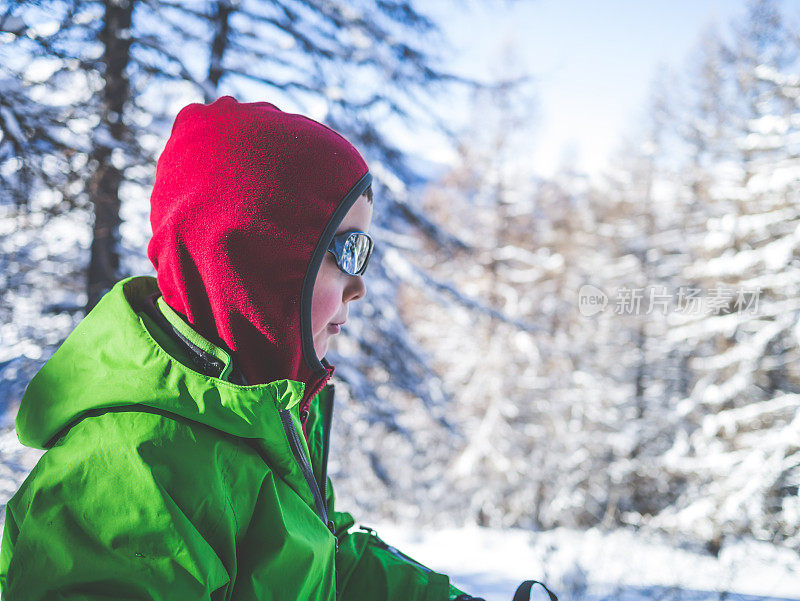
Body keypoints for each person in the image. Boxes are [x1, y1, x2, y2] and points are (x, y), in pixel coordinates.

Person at [0, 97, 482, 600]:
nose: (359, 284)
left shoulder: (260, 414)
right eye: (344, 249)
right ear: (257, 262)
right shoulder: (133, 469)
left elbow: (325, 561)